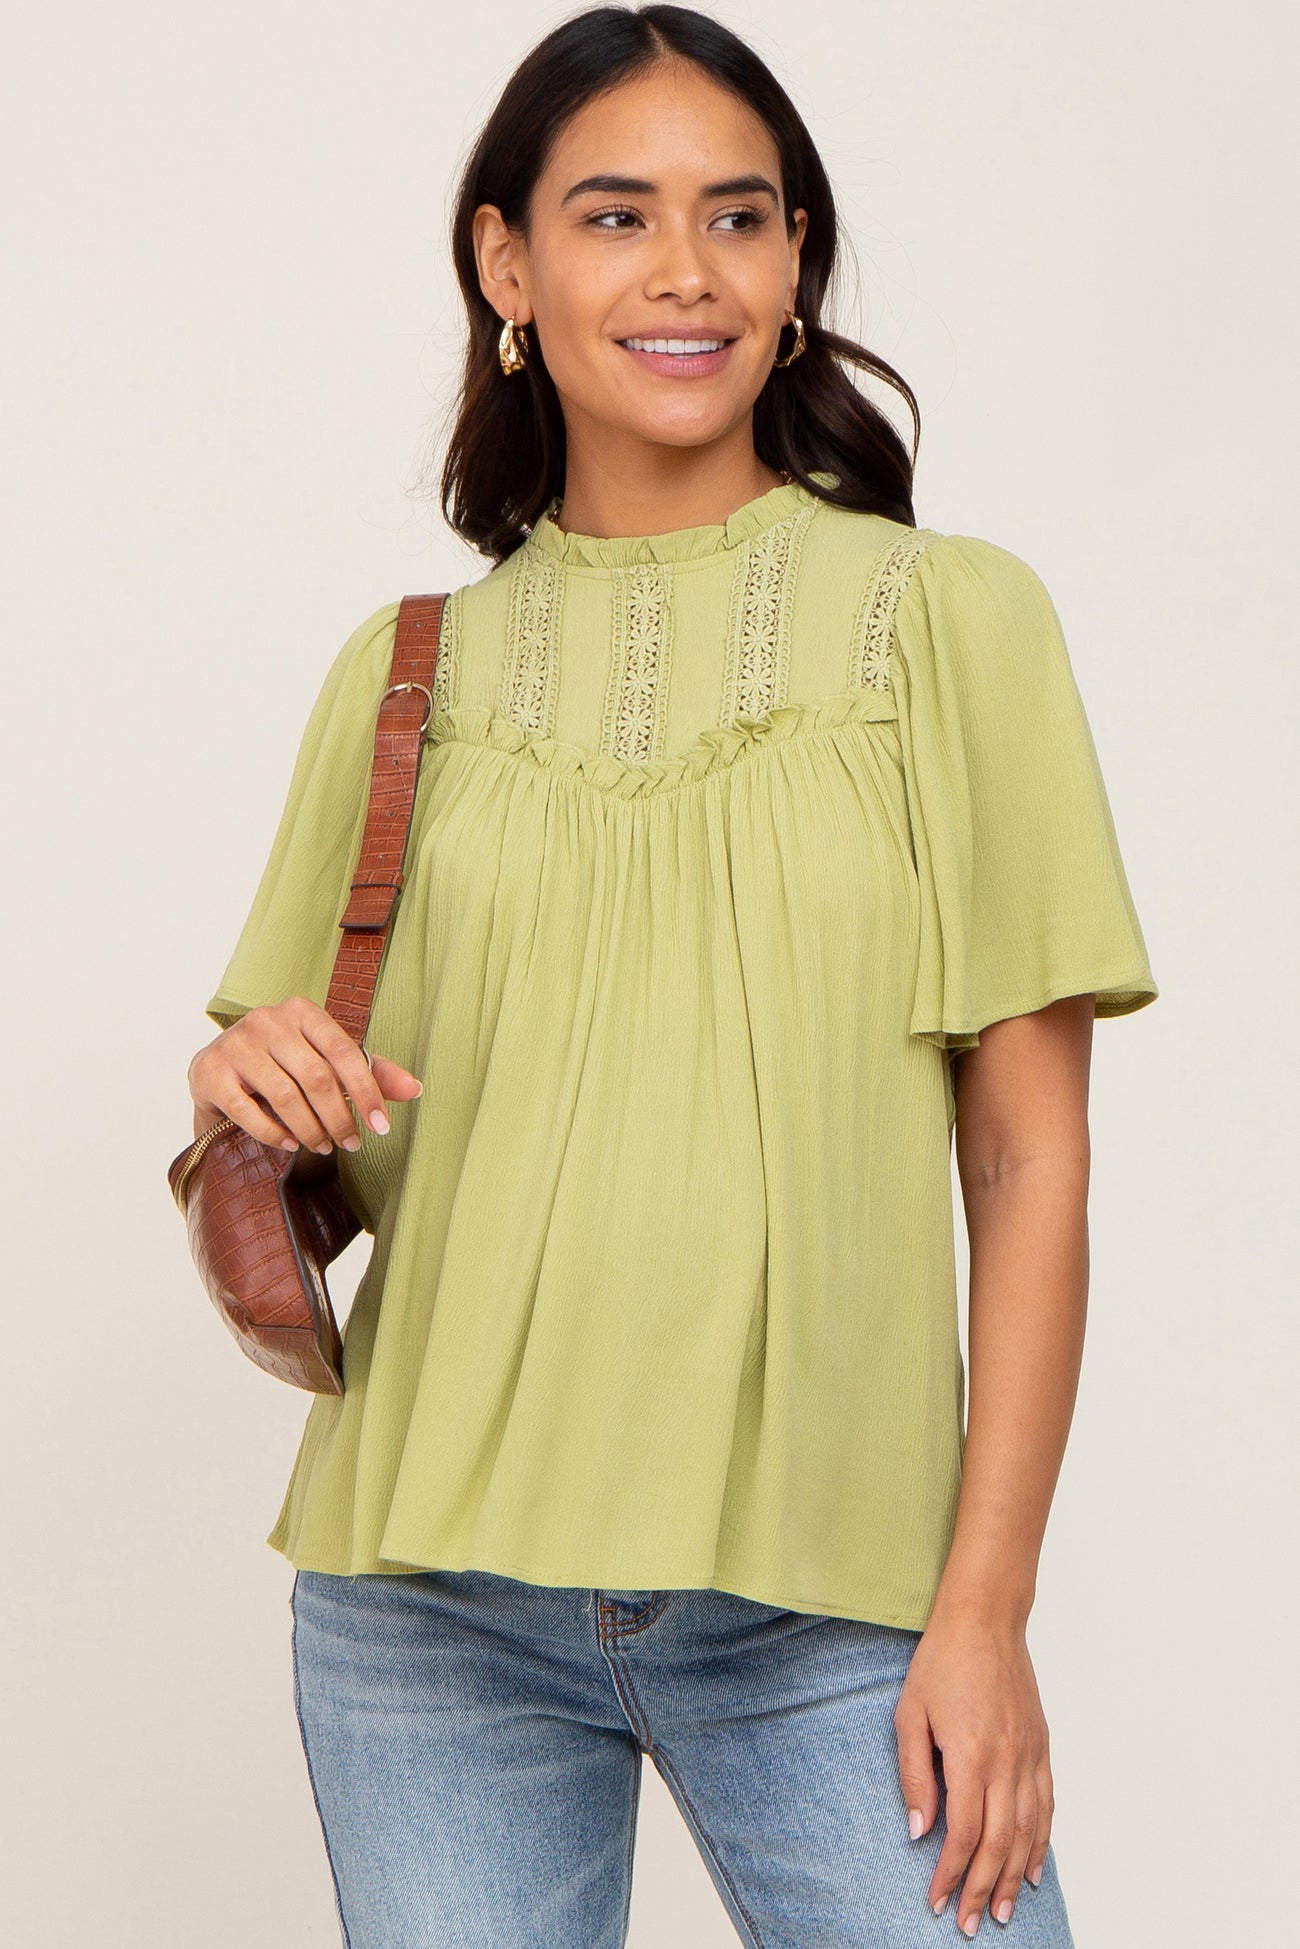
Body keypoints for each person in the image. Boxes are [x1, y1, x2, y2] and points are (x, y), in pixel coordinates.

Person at [184, 7, 1158, 1944]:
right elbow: (320, 1151)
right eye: (615, 215)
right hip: (428, 1607)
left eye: (739, 216)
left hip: (833, 1612)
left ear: (795, 267)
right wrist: (243, 1088)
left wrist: (983, 1610)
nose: (685, 271)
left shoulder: (948, 623)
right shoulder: (404, 675)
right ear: (506, 265)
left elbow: (1026, 1159)